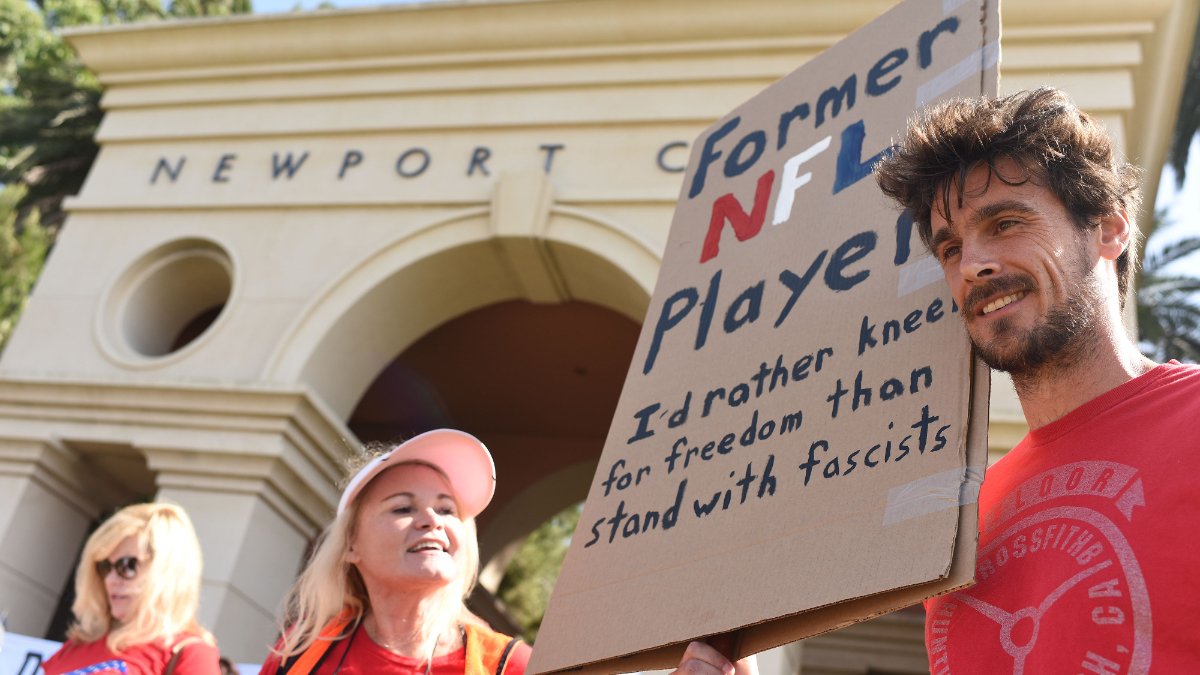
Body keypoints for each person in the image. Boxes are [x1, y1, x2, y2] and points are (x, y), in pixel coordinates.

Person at [259, 429, 531, 675]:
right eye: (402, 508)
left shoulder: (514, 667)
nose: (432, 519)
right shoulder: (300, 653)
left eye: (446, 509)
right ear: (351, 544)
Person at [42, 502, 221, 675]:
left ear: (167, 571)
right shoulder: (76, 646)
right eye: (104, 566)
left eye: (127, 565)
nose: (110, 580)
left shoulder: (190, 652)